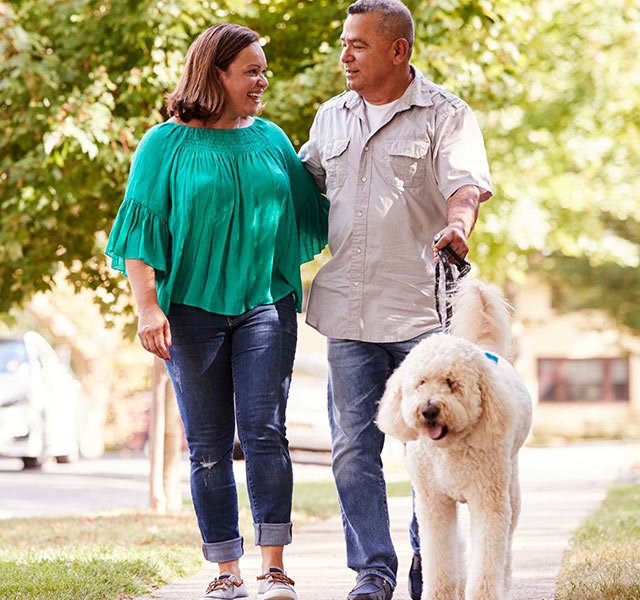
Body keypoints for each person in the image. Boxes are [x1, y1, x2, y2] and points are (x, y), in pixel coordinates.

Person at [105, 23, 328, 600]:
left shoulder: (272, 139)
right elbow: (139, 231)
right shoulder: (164, 145)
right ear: (216, 74)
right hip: (190, 314)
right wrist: (147, 308)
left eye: (263, 69)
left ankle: (273, 565)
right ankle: (225, 569)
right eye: (252, 70)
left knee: (265, 432)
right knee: (208, 446)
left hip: (264, 305)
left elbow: (318, 207)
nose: (263, 80)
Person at [299, 1, 492, 599]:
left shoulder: (445, 115)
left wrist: (459, 225)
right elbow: (299, 189)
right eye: (344, 42)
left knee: (430, 451)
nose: (344, 54)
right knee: (354, 446)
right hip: (349, 314)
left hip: (421, 313)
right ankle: (371, 572)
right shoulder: (330, 117)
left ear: (398, 50)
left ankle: (425, 568)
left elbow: (465, 187)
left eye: (357, 44)